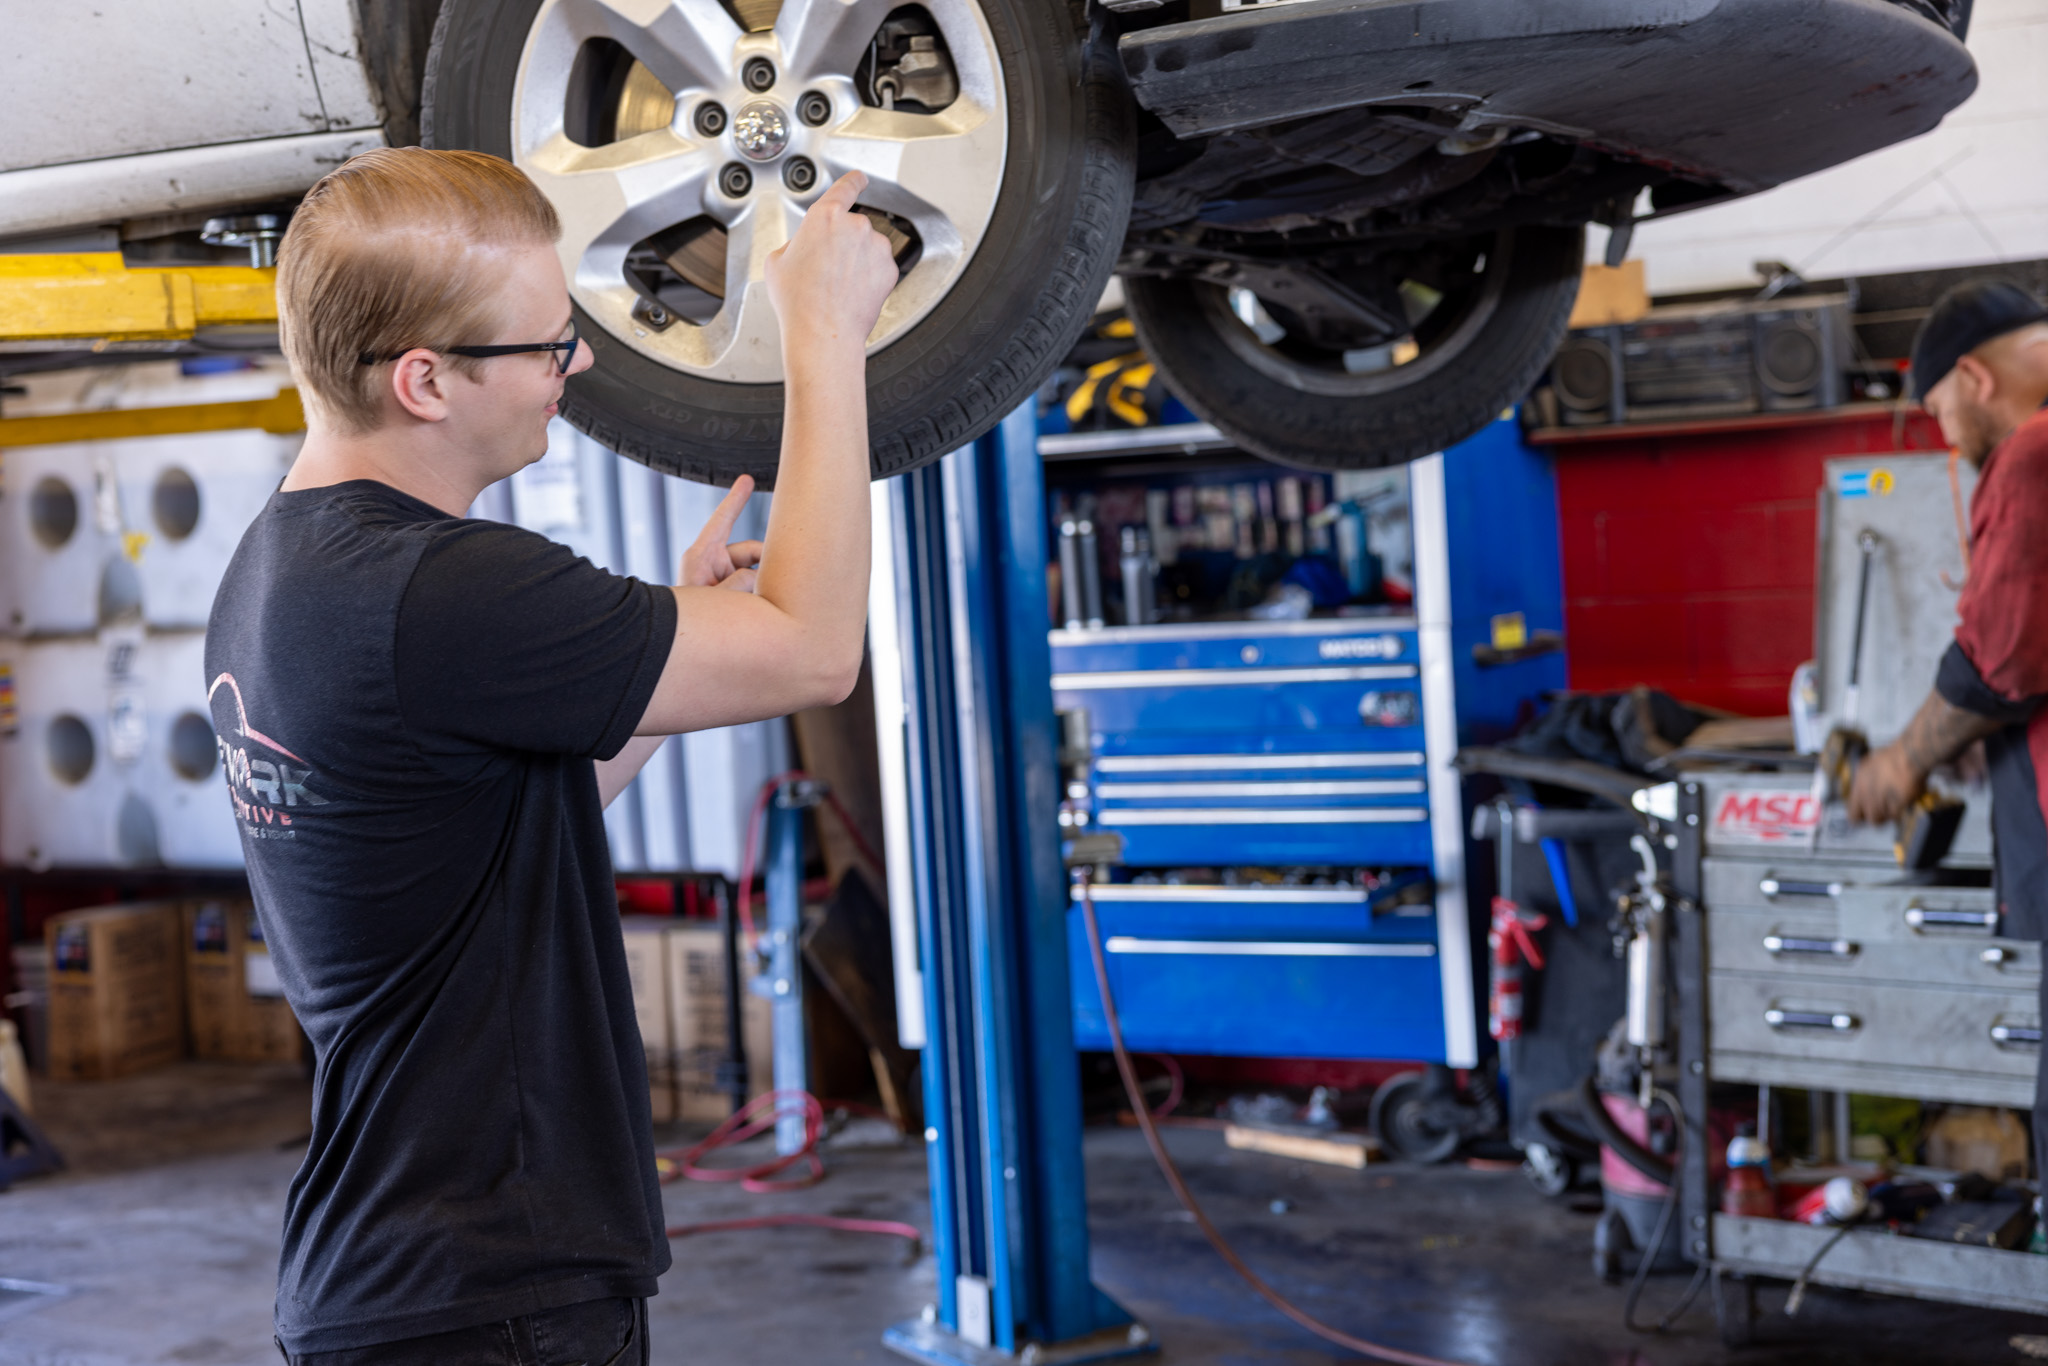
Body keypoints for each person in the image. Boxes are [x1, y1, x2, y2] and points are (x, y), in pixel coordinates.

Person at [204, 147, 897, 1364]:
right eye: (543, 344)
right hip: (490, 1288)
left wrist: (643, 656)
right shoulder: (443, 584)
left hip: (404, 1267)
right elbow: (817, 655)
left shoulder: (283, 569)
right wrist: (824, 336)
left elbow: (495, 816)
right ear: (424, 380)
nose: (570, 367)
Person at [1848, 279, 2048, 1187]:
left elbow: (2002, 658)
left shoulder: (2033, 453)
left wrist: (1902, 759)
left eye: (1934, 411)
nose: (1941, 436)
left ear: (1973, 376)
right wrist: (1982, 731)